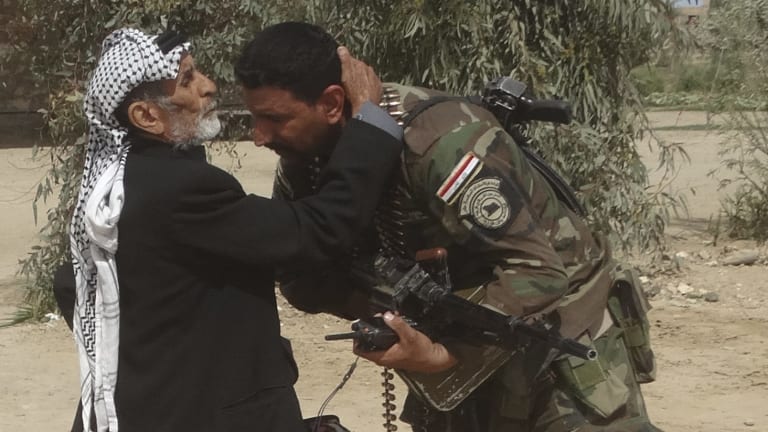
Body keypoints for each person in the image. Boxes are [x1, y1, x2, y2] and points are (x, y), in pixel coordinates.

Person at [235, 21, 661, 432]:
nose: (259, 136)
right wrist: (394, 316)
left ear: (330, 103)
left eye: (275, 118)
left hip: (556, 344)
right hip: (456, 347)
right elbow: (299, 270)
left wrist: (444, 350)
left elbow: (539, 273)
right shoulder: (305, 163)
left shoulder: (440, 143)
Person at [64, 27, 403, 432]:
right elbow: (318, 230)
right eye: (187, 80)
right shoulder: (178, 188)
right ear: (146, 116)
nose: (209, 87)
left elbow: (69, 283)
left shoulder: (117, 187)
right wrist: (371, 124)